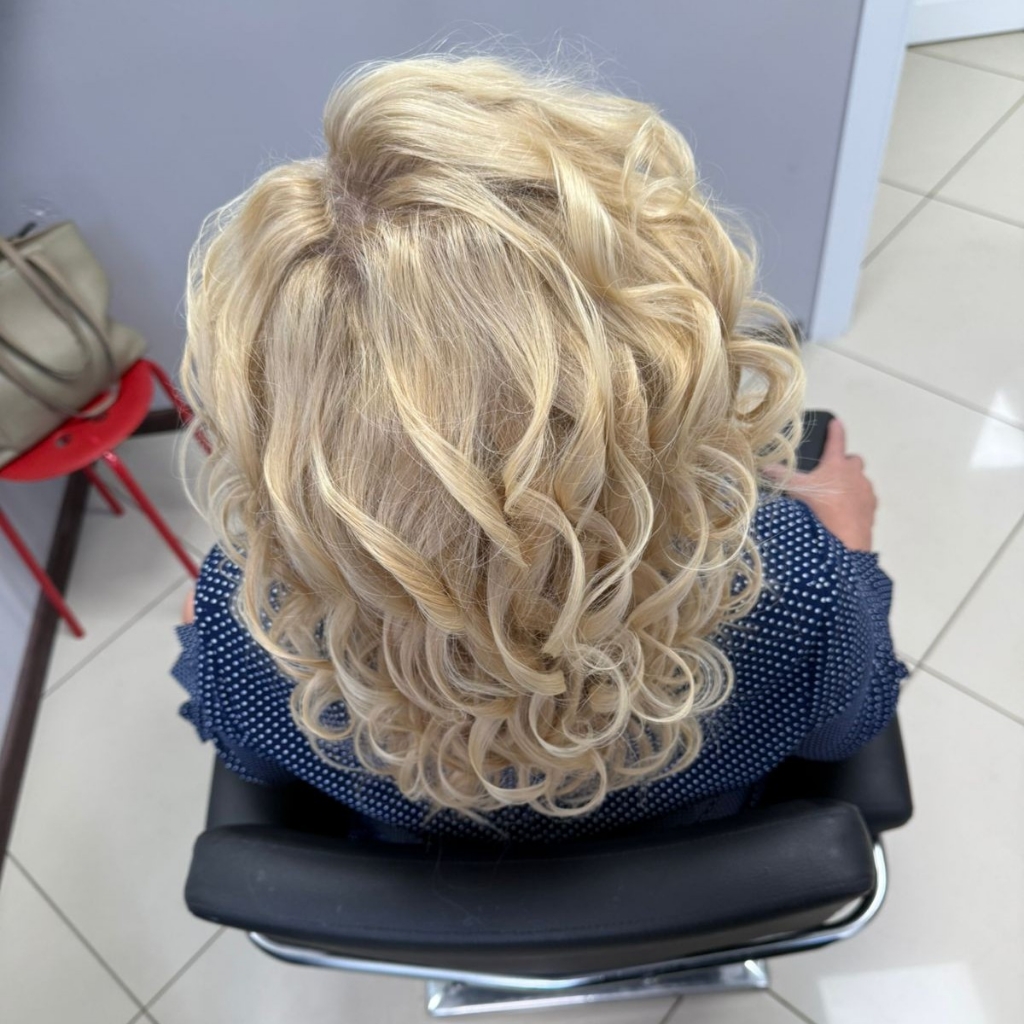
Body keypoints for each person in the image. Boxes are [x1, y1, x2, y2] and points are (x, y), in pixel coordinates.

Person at [172, 54, 906, 844]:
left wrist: (209, 626)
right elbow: (847, 733)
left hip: (428, 876)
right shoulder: (797, 584)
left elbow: (254, 767)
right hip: (685, 852)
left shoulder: (252, 624)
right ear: (664, 387)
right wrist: (852, 547)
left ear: (283, 438)